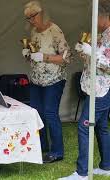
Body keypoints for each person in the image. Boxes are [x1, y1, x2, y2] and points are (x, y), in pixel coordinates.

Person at [60, 0, 110, 179]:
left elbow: (108, 65)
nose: (93, 20)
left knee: (84, 127)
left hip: (102, 90)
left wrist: (92, 53)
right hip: (94, 86)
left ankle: (82, 173)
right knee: (101, 127)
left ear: (104, 16)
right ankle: (106, 166)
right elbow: (95, 62)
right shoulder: (102, 33)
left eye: (95, 16)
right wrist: (84, 53)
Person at [22, 1, 71, 163]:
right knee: (37, 113)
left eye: (32, 17)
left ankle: (57, 152)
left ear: (41, 13)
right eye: (28, 18)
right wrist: (29, 54)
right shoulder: (34, 32)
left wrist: (44, 57)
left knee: (50, 113)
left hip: (54, 80)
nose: (31, 21)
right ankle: (41, 147)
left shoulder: (55, 31)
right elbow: (35, 56)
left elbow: (66, 58)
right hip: (37, 79)